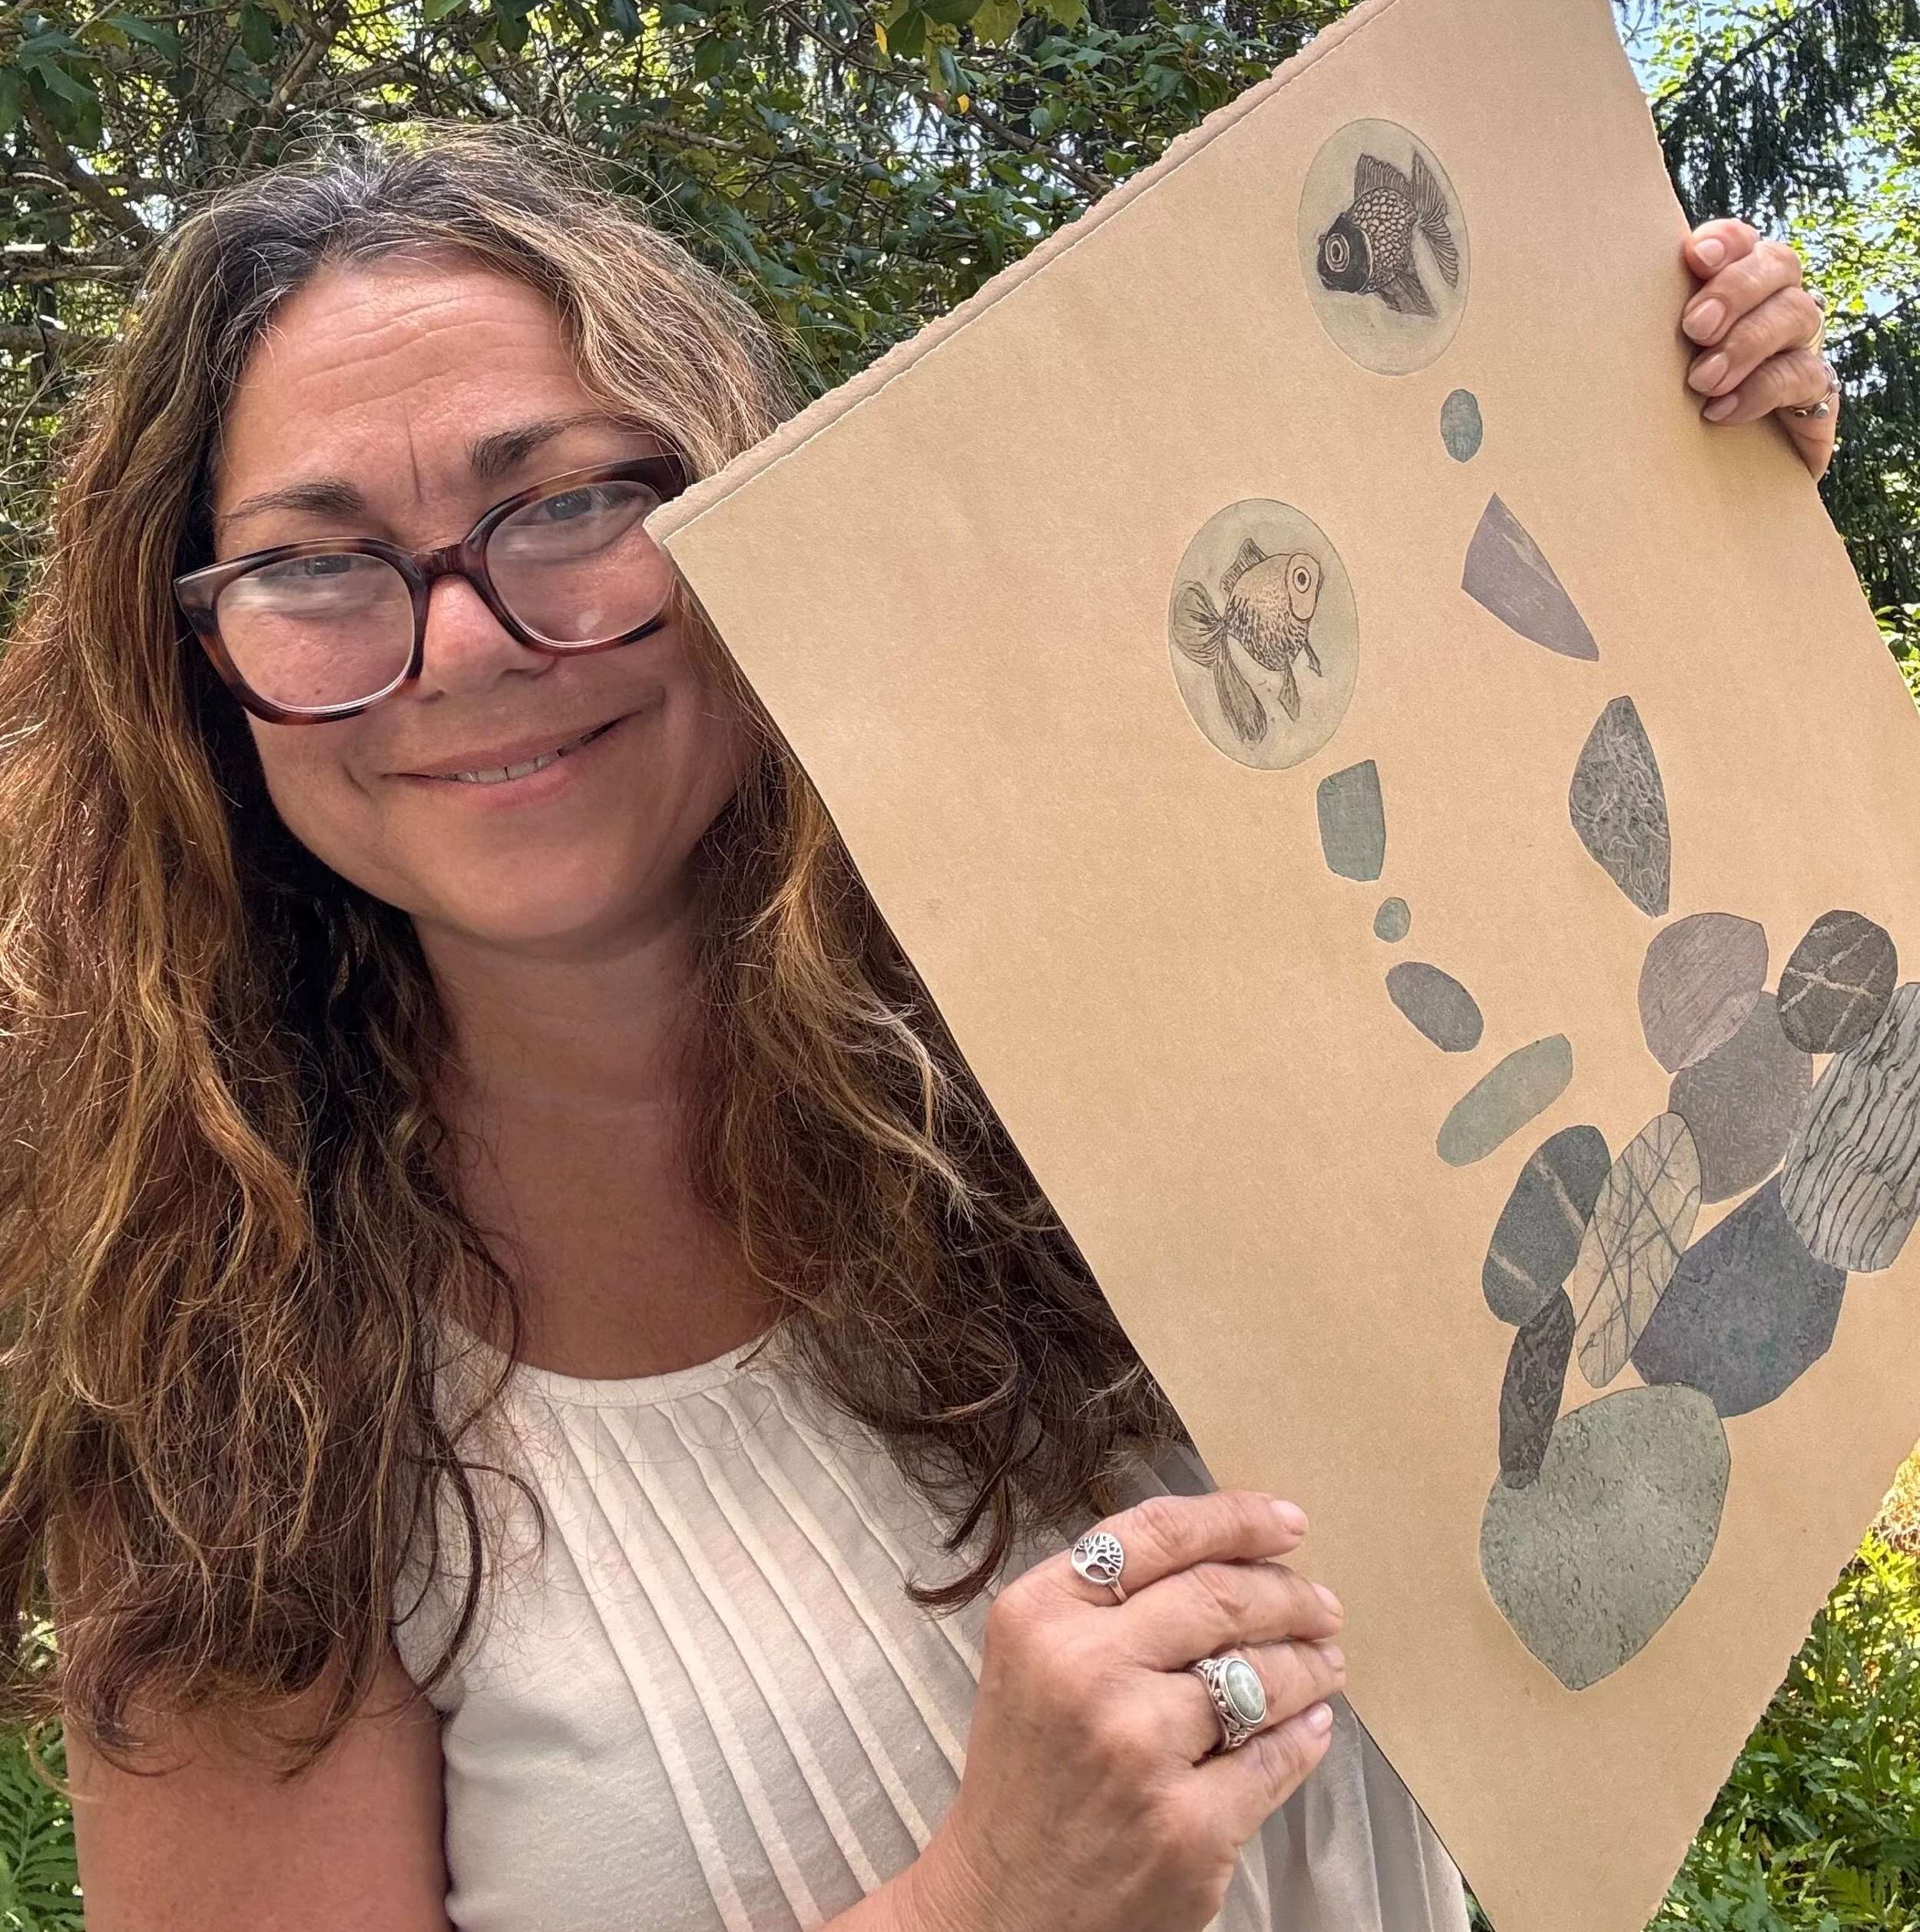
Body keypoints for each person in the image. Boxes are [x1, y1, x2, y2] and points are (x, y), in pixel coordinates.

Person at [0, 134, 1835, 1932]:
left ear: (741, 509)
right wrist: (989, 1905)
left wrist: (1677, 494)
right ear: (197, 670)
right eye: (314, 564)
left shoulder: (1138, 978)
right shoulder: (220, 1394)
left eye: (565, 504)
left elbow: (1639, 1026)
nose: (467, 642)